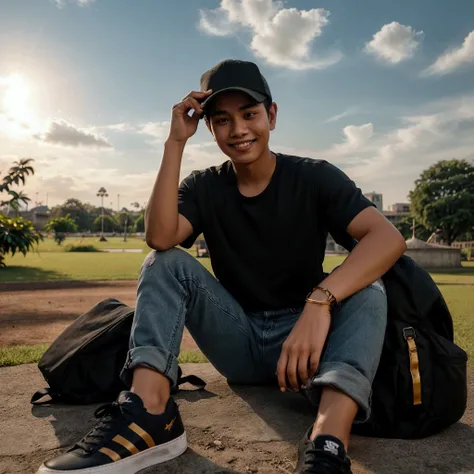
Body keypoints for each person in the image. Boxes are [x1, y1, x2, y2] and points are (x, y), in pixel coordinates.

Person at [37, 59, 407, 474]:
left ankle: (327, 441)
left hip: (307, 348)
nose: (239, 130)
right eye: (222, 120)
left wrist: (318, 303)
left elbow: (387, 238)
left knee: (369, 286)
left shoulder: (314, 177)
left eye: (249, 114)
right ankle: (151, 414)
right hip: (239, 339)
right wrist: (174, 142)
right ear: (209, 128)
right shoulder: (204, 185)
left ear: (272, 115)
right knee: (165, 261)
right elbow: (161, 238)